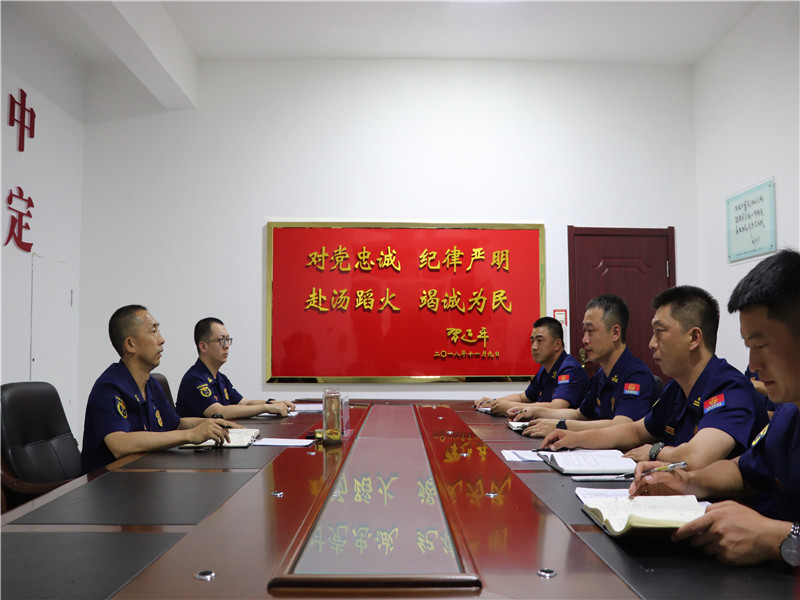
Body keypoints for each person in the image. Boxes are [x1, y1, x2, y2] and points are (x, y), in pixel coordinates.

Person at [629, 249, 800, 567]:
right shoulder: (789, 416)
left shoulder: (731, 387)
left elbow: (780, 534)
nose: (753, 365)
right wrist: (686, 481)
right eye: (748, 346)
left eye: (762, 345)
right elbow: (743, 470)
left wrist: (779, 537)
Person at [540, 286, 768, 468]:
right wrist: (575, 438)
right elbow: (635, 431)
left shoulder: (730, 388)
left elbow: (697, 457)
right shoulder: (676, 389)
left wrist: (655, 450)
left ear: (693, 338)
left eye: (660, 332)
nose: (651, 344)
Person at [81, 305, 238, 473]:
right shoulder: (109, 387)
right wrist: (190, 435)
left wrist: (212, 424)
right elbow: (119, 443)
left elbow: (176, 423)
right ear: (130, 344)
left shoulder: (152, 384)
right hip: (111, 483)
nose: (162, 339)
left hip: (147, 476)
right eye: (153, 331)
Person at [512, 294, 657, 436]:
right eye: (584, 331)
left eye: (590, 331)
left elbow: (621, 426)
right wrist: (536, 412)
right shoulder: (601, 375)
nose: (584, 340)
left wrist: (560, 425)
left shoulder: (636, 375)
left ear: (615, 333)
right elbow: (579, 414)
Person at [176, 317, 294, 419]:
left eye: (227, 340)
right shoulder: (194, 379)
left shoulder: (220, 378)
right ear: (203, 347)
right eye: (221, 340)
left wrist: (273, 403)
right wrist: (266, 408)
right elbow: (219, 412)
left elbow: (245, 403)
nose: (227, 345)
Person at [473, 317, 589, 416]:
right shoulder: (544, 370)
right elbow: (522, 397)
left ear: (557, 345)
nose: (534, 347)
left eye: (540, 340)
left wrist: (510, 406)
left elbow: (557, 407)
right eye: (532, 341)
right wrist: (493, 401)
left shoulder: (570, 369)